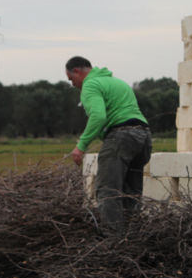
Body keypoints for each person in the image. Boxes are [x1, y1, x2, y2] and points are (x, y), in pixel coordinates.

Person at [65, 56, 152, 233]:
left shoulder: (90, 85)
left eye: (71, 79)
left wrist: (81, 146)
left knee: (107, 190)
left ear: (77, 71)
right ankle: (134, 236)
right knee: (131, 192)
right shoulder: (117, 82)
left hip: (121, 136)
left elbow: (98, 116)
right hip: (144, 137)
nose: (72, 84)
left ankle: (113, 241)